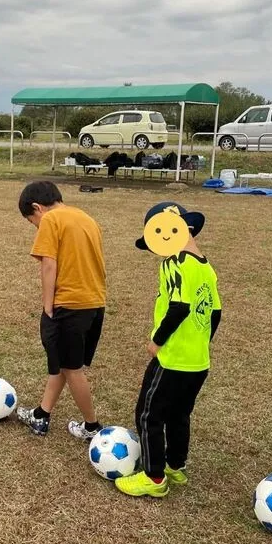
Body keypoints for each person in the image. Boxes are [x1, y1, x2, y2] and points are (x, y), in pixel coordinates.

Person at [115, 202, 221, 498]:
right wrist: (200, 343)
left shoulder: (175, 263)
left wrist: (158, 341)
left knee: (149, 415)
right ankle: (175, 465)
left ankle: (154, 477)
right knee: (179, 414)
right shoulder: (205, 266)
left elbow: (179, 307)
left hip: (172, 358)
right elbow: (215, 313)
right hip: (198, 360)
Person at [16, 181, 106, 440]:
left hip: (68, 306)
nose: (35, 226)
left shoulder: (51, 220)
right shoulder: (87, 219)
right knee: (65, 363)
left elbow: (48, 265)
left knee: (71, 368)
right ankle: (41, 415)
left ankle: (92, 427)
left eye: (31, 221)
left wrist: (48, 307)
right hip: (94, 303)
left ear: (37, 208)